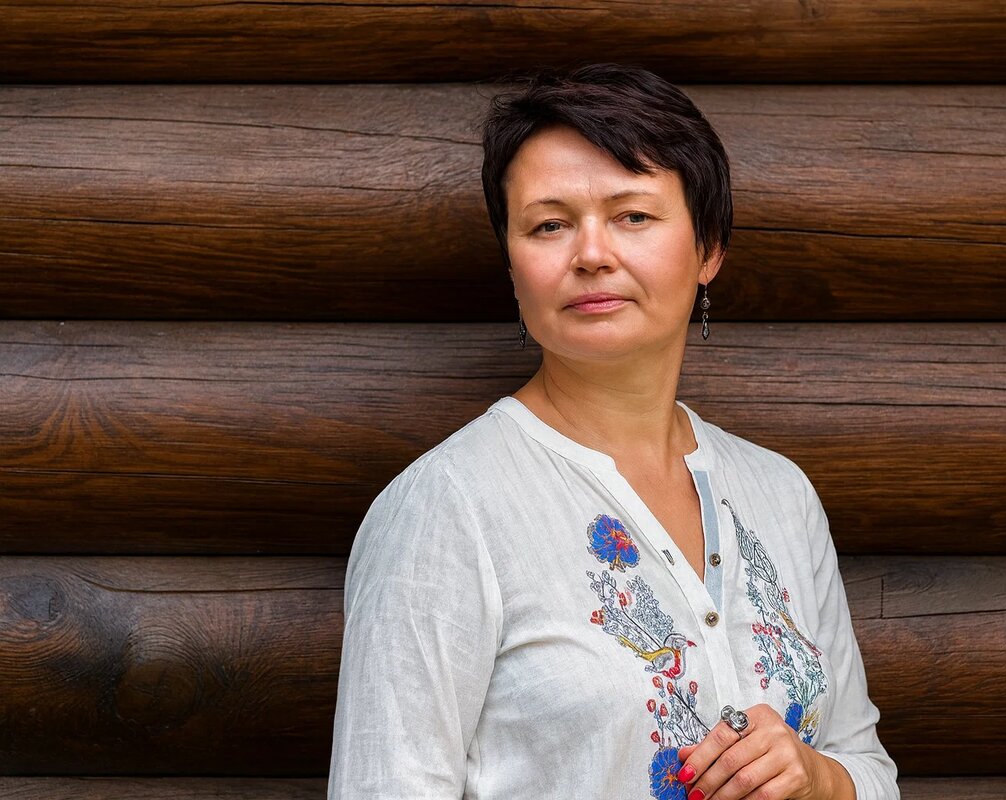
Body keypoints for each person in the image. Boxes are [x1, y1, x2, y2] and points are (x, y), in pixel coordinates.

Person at [327, 62, 899, 800]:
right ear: (513, 266)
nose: (591, 254)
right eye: (549, 225)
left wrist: (819, 778)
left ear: (709, 247)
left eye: (633, 216)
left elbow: (866, 765)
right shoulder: (447, 507)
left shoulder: (779, 494)